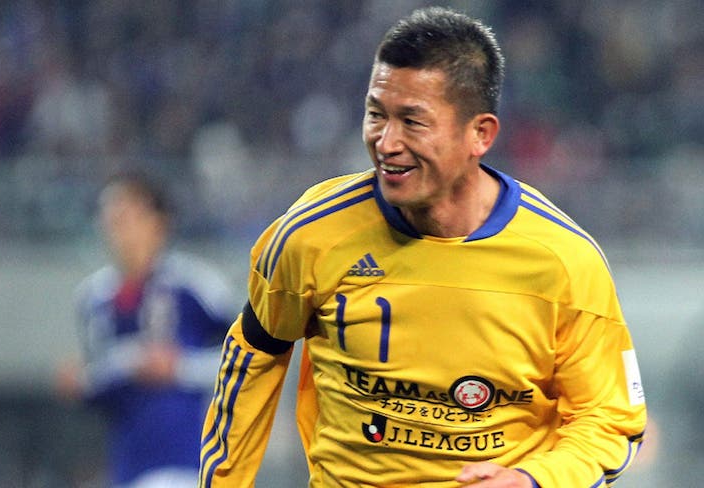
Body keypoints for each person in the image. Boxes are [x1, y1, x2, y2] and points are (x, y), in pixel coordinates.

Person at [199, 7, 646, 487]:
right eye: (376, 115)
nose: (386, 142)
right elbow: (254, 357)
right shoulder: (310, 235)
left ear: (481, 134)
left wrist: (533, 480)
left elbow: (609, 421)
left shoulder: (565, 263)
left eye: (412, 121)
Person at [55, 171, 238, 488]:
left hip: (189, 459)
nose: (117, 225)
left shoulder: (196, 285)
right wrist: (83, 384)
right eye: (110, 215)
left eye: (128, 214)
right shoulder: (92, 298)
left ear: (159, 222)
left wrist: (181, 367)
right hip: (127, 464)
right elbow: (105, 384)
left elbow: (245, 360)